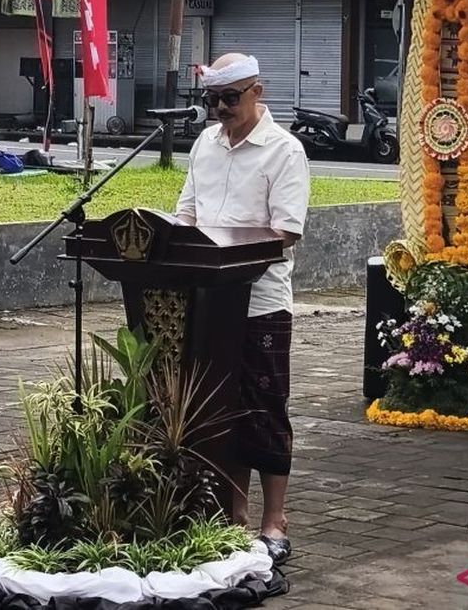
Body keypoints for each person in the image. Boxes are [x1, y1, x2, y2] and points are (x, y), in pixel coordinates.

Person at [174, 53, 310, 566]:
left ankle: (274, 521)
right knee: (220, 409)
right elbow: (187, 213)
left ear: (257, 91)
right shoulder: (204, 145)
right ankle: (234, 519)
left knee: (265, 409)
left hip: (260, 304)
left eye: (230, 98)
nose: (221, 109)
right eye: (213, 99)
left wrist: (226, 248)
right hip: (207, 301)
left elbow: (287, 230)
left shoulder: (284, 150)